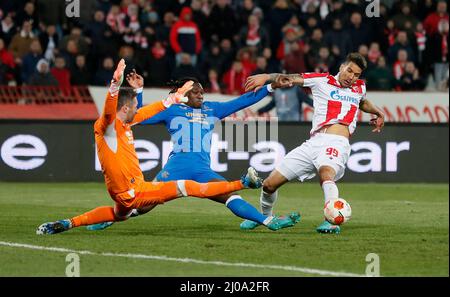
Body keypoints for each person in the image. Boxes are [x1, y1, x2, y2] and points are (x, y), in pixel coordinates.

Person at [36, 60, 292, 235]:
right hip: (176, 167)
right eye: (195, 91)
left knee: (229, 198)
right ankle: (111, 218)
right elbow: (137, 115)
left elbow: (243, 100)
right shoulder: (173, 110)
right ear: (183, 92)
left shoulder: (213, 109)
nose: (201, 94)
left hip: (202, 169)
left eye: (202, 90)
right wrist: (137, 91)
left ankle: (268, 220)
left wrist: (270, 86)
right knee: (144, 205)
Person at [240, 53, 385, 234]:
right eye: (349, 71)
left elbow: (362, 102)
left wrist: (378, 112)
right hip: (314, 142)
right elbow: (291, 79)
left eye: (356, 74)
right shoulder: (321, 80)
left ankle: (331, 222)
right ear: (341, 67)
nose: (352, 77)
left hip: (338, 141)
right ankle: (263, 216)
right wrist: (266, 77)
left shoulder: (359, 87)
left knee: (326, 173)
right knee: (269, 184)